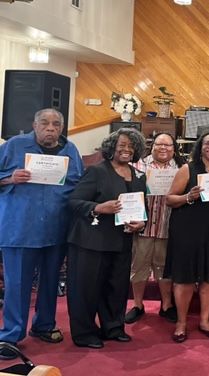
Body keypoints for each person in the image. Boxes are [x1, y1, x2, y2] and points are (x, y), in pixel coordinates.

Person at [0, 109, 83, 360]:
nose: (50, 128)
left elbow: (79, 185)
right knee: (17, 284)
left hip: (56, 228)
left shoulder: (71, 151)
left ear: (61, 128)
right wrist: (8, 178)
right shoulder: (14, 146)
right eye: (45, 123)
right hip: (20, 228)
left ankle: (44, 325)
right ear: (34, 125)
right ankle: (11, 335)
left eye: (56, 124)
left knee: (50, 282)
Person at [66, 128, 147, 349]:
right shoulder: (97, 171)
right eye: (122, 145)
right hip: (91, 241)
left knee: (117, 287)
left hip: (121, 241)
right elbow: (74, 201)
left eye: (131, 146)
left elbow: (142, 209)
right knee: (86, 289)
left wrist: (141, 223)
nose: (126, 149)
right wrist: (98, 207)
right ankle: (84, 333)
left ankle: (113, 327)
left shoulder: (139, 175)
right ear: (112, 147)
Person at [164, 130, 209, 343]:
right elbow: (169, 199)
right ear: (200, 147)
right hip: (187, 232)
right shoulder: (187, 169)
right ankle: (181, 323)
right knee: (185, 279)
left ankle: (204, 320)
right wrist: (188, 196)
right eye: (207, 143)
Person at [124, 132, 185, 325]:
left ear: (174, 148)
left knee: (164, 269)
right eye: (159, 144)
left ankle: (166, 305)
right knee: (139, 267)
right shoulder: (138, 166)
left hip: (168, 228)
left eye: (168, 145)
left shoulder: (181, 169)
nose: (163, 148)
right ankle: (137, 304)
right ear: (152, 146)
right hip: (142, 227)